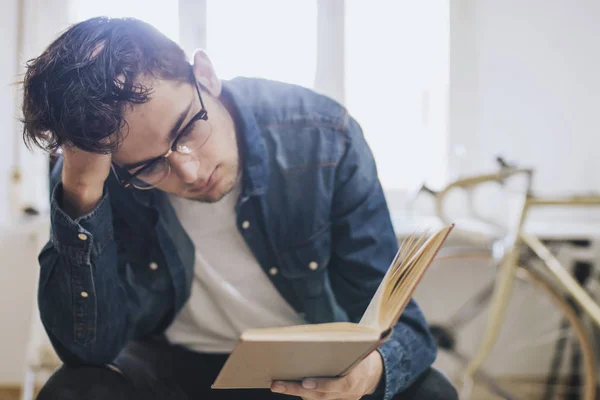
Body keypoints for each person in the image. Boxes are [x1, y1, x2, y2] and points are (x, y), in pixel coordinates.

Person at [21, 17, 457, 400]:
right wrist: (80, 189)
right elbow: (87, 351)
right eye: (151, 166)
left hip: (305, 369)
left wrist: (368, 373)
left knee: (432, 392)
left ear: (206, 75)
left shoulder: (322, 135)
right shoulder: (94, 173)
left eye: (187, 128)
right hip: (172, 367)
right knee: (76, 391)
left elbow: (407, 329)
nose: (189, 171)